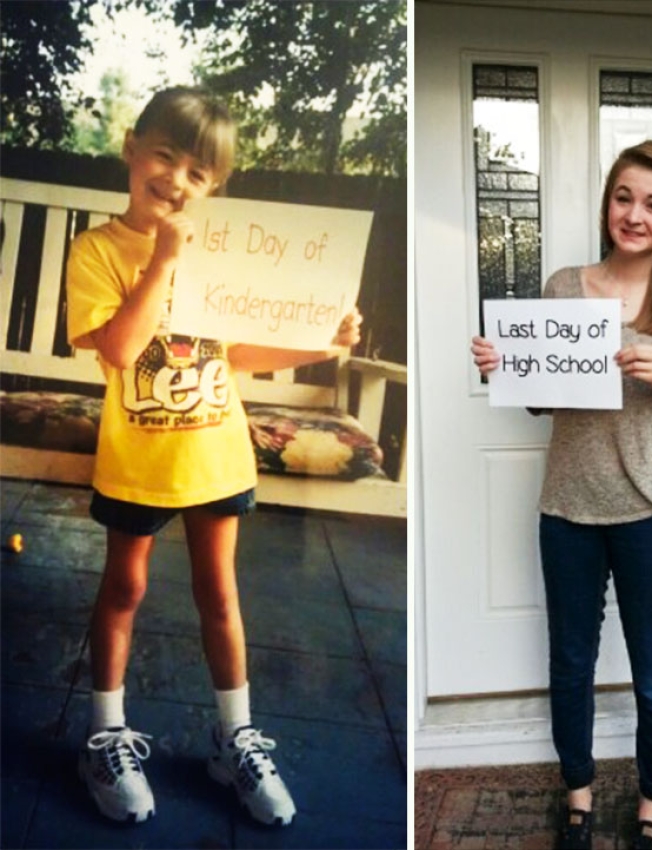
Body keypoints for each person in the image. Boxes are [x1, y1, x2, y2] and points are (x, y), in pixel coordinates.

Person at [66, 86, 362, 826]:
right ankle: (106, 732)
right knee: (124, 590)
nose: (176, 181)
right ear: (132, 148)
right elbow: (121, 349)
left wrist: (324, 339)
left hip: (216, 458)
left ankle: (235, 739)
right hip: (138, 462)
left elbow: (240, 353)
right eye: (164, 156)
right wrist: (163, 261)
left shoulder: (220, 249)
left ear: (215, 186)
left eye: (197, 173)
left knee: (220, 596)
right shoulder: (98, 250)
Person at [471, 140, 652, 850]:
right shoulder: (562, 287)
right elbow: (540, 404)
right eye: (622, 197)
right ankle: (576, 794)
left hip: (651, 511)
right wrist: (504, 368)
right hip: (568, 509)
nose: (633, 215)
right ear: (606, 201)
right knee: (571, 662)